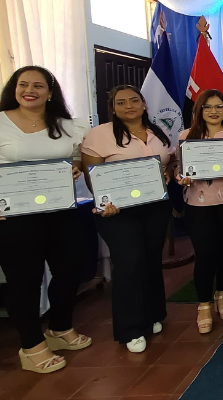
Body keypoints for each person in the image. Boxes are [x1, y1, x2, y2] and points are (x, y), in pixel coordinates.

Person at [0, 66, 92, 373]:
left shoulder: (68, 125)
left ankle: (60, 328)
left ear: (50, 92)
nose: (30, 90)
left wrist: (76, 167)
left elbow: (76, 155)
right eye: (23, 84)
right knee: (24, 280)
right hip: (15, 216)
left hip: (61, 210)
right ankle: (31, 345)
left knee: (69, 272)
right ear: (14, 88)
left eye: (38, 86)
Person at [81, 85, 173, 353]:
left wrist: (167, 173)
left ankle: (153, 314)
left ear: (144, 104)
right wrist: (104, 203)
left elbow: (167, 163)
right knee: (129, 263)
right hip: (118, 212)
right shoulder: (100, 135)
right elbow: (91, 175)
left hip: (155, 207)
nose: (129, 106)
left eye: (134, 100)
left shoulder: (158, 132)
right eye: (121, 102)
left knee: (152, 260)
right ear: (113, 107)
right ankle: (131, 328)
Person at [175, 89, 223, 334]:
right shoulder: (186, 136)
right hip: (198, 205)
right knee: (205, 254)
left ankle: (222, 294)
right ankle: (203, 304)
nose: (214, 111)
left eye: (219, 106)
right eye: (208, 106)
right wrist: (181, 178)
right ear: (199, 110)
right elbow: (179, 168)